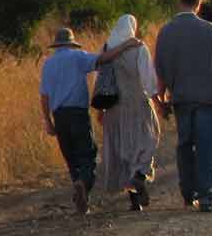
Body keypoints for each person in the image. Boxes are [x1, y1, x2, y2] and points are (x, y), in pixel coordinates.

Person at [154, 0, 212, 213]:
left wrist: (161, 98)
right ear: (198, 4)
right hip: (206, 98)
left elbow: (159, 68)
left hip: (181, 98)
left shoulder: (166, 32)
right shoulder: (209, 30)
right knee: (205, 147)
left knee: (184, 146)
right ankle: (206, 197)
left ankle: (187, 193)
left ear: (180, 2)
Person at [41, 28, 141, 215]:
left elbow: (44, 96)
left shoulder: (48, 64)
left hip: (59, 115)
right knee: (88, 155)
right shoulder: (78, 57)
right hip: (78, 113)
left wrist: (47, 120)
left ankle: (81, 197)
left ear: (56, 44)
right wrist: (126, 44)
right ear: (72, 43)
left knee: (71, 157)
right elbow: (104, 59)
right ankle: (83, 184)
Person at [97, 15, 163, 212]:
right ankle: (140, 175)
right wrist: (159, 101)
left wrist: (100, 108)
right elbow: (148, 80)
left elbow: (100, 79)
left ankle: (134, 200)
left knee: (124, 149)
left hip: (114, 107)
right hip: (137, 103)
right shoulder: (138, 47)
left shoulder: (106, 48)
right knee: (149, 140)